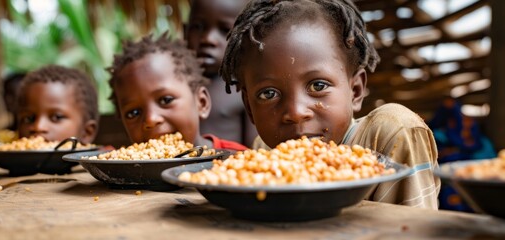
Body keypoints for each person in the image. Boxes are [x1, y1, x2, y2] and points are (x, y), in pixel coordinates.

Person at [219, 0, 440, 209]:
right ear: (249, 107)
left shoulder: (391, 133)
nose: (296, 113)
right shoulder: (264, 152)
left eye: (318, 86)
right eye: (269, 94)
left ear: (355, 91)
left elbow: (416, 228)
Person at [107, 34, 247, 151]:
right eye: (133, 113)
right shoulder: (126, 172)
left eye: (166, 100)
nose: (151, 119)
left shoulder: (239, 161)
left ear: (201, 103)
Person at [185, 0, 258, 147]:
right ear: (184, 31)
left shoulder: (244, 88)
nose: (208, 39)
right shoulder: (176, 85)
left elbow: (254, 149)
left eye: (225, 30)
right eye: (198, 27)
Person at [16, 65, 99, 144]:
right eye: (28, 119)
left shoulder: (106, 157)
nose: (38, 127)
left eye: (56, 117)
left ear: (87, 133)